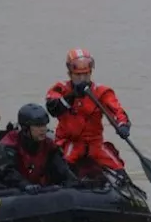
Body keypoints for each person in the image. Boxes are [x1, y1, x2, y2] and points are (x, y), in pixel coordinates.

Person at [45, 48, 132, 179]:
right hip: (69, 143)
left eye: (85, 75)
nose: (82, 79)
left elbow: (116, 110)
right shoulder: (60, 89)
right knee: (59, 170)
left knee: (119, 170)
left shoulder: (101, 92)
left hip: (95, 144)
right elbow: (53, 108)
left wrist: (123, 125)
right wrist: (73, 96)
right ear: (70, 74)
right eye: (78, 75)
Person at [0, 103, 78, 191]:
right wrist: (25, 185)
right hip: (7, 191)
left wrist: (74, 181)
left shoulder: (49, 145)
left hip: (36, 190)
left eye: (44, 125)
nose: (43, 129)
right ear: (25, 128)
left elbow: (61, 168)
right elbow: (8, 173)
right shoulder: (8, 146)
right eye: (38, 126)